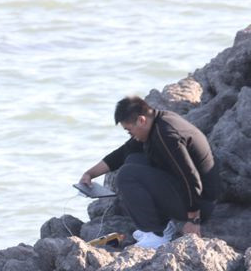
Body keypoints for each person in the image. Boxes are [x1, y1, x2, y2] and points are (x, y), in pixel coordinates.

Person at [79, 96, 221, 249]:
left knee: (127, 176)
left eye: (129, 130)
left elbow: (190, 177)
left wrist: (193, 220)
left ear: (141, 120)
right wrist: (90, 174)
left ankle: (158, 234)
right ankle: (162, 226)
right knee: (133, 159)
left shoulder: (167, 135)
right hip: (193, 195)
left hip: (201, 204)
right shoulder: (157, 122)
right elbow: (123, 152)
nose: (131, 135)